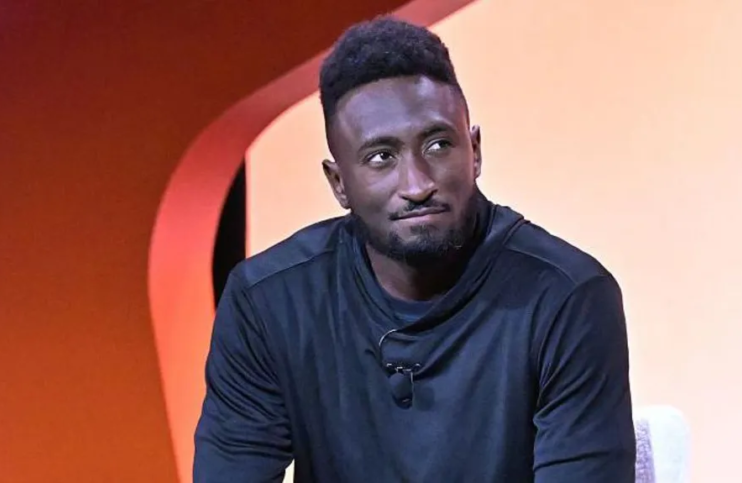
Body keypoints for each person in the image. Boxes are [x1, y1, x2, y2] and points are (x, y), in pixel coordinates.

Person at [193, 16, 635, 483]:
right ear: (338, 183)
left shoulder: (567, 298)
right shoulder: (268, 302)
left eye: (439, 144)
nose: (418, 184)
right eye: (381, 157)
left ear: (475, 150)